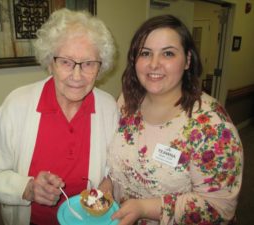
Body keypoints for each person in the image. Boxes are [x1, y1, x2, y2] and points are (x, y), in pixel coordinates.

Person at [0, 8, 118, 225]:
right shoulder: (18, 104)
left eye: (88, 64)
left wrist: (109, 182)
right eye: (66, 62)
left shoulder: (107, 106)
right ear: (50, 63)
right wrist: (27, 188)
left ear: (100, 67)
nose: (77, 76)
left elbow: (113, 166)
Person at [100, 15, 243, 225]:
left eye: (168, 53)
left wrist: (144, 208)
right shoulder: (126, 102)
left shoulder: (212, 126)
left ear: (187, 60)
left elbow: (219, 208)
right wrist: (109, 183)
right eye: (145, 53)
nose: (154, 64)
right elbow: (123, 159)